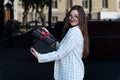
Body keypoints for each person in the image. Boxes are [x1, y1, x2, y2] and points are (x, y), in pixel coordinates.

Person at [30, 5, 89, 80]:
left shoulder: (74, 32)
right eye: (70, 16)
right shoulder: (77, 30)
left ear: (81, 18)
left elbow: (59, 54)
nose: (72, 18)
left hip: (71, 75)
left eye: (76, 16)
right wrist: (48, 37)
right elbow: (61, 48)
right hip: (71, 74)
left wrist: (40, 57)